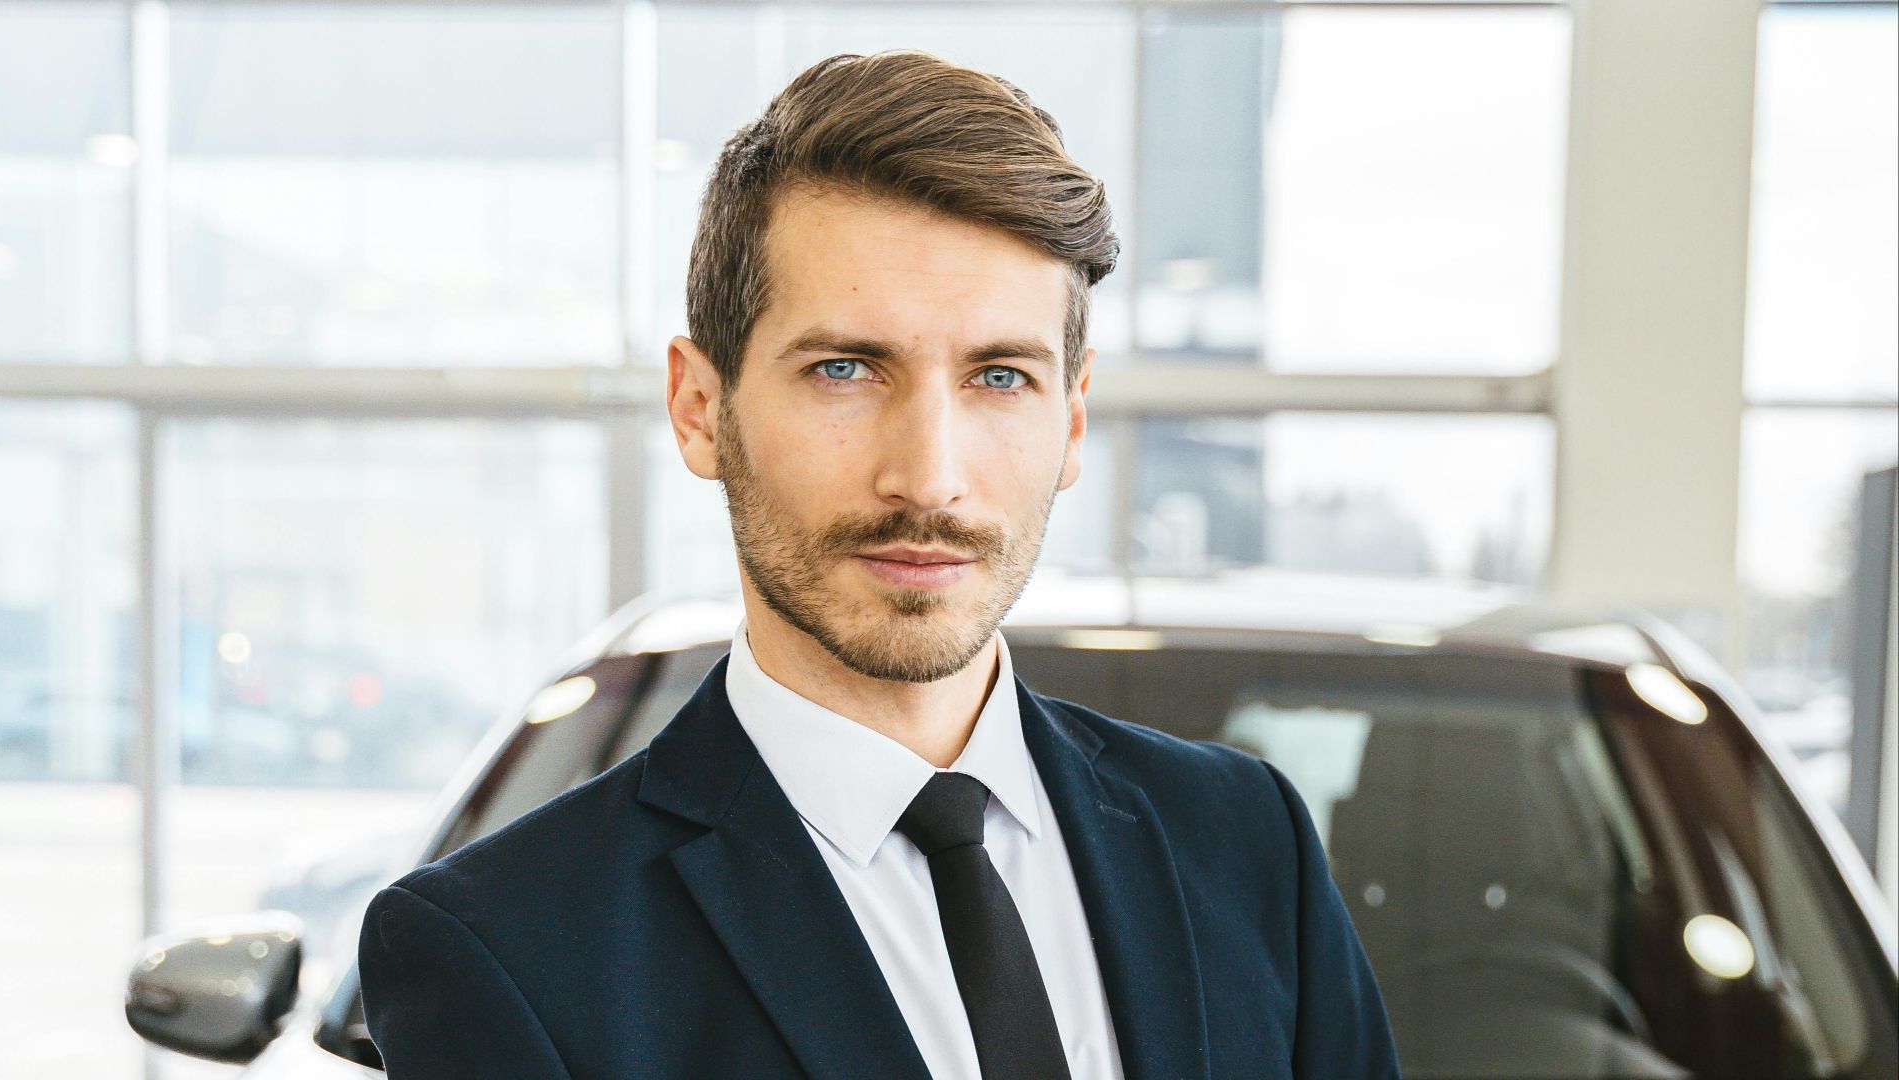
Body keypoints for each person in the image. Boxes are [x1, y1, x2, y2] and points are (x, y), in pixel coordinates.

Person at [357, 50, 1401, 1080]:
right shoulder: (510, 948)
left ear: (1073, 419)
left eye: (999, 377)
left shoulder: (1241, 842)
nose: (928, 478)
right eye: (845, 370)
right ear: (700, 407)